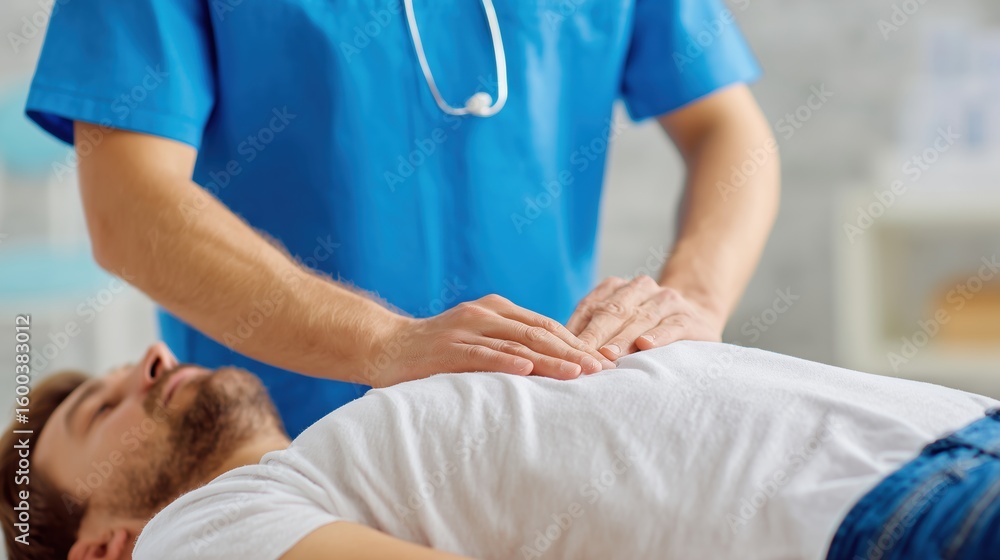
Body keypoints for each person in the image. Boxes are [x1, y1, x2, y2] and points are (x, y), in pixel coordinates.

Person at [25, 0, 780, 435]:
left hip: (548, 429)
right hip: (282, 455)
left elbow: (729, 130)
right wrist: (388, 345)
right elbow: (129, 207)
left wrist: (694, 301)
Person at [2, 341, 997, 560]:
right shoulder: (195, 533)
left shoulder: (335, 463)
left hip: (943, 442)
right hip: (894, 514)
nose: (149, 357)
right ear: (105, 545)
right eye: (99, 409)